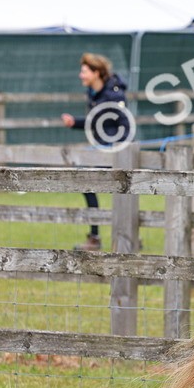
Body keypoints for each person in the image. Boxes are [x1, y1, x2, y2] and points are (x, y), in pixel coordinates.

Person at [60, 53, 130, 251]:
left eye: (84, 71)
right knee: (87, 179)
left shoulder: (114, 94)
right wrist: (75, 123)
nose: (80, 75)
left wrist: (76, 122)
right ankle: (96, 237)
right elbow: (96, 119)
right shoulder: (93, 93)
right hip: (101, 146)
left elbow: (107, 119)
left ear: (96, 72)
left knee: (116, 188)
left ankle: (119, 236)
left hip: (117, 148)